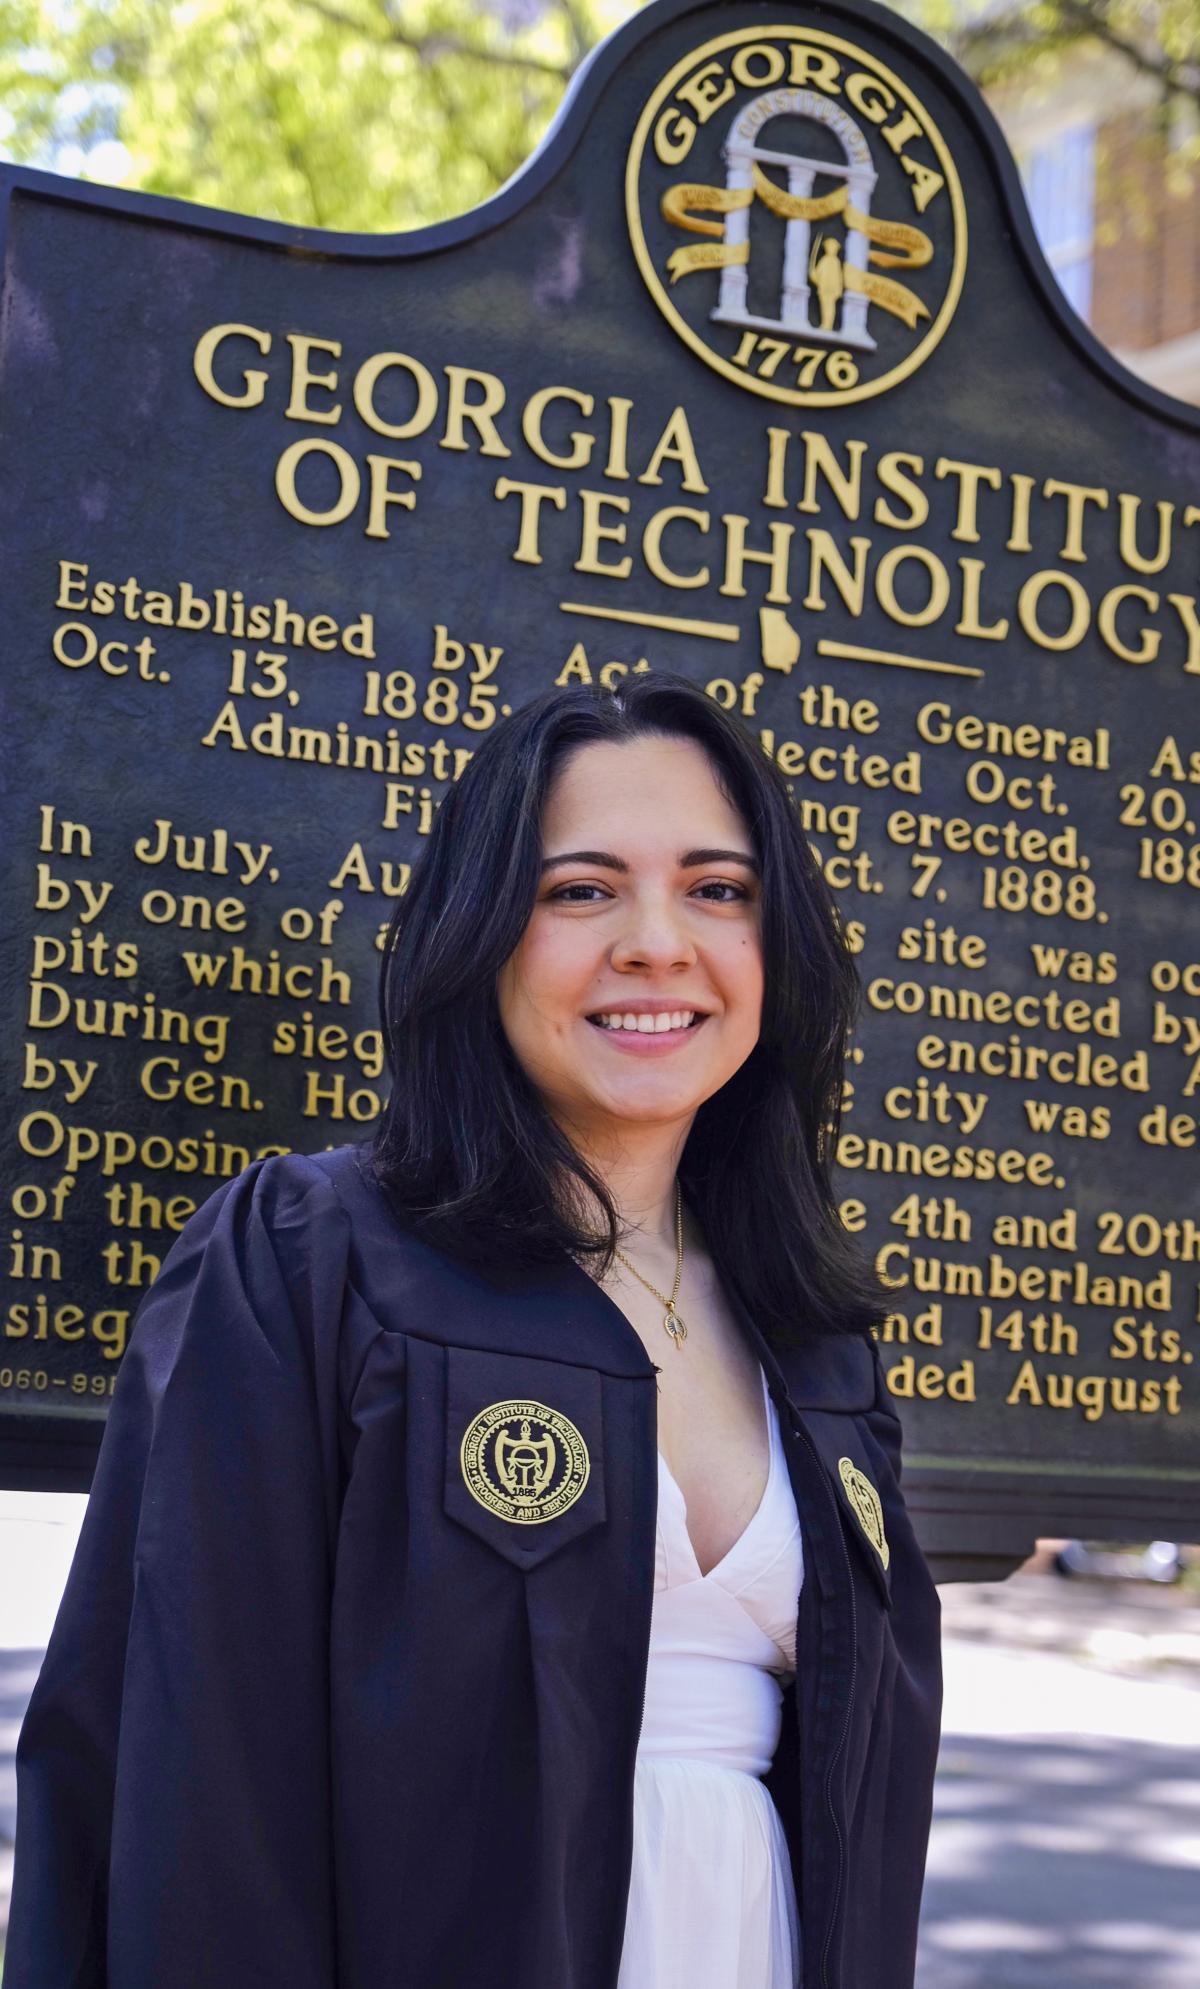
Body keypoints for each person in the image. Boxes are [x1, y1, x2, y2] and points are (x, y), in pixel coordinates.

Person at [5, 673, 942, 1989]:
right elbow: (192, 1783)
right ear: (483, 930)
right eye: (581, 888)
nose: (657, 941)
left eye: (718, 888)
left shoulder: (813, 1338)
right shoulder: (313, 1256)